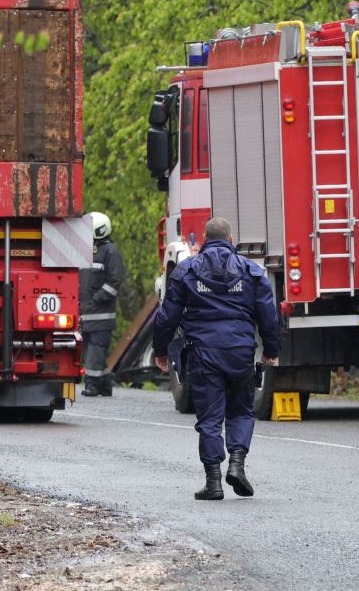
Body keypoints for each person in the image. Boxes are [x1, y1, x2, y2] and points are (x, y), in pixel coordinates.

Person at [153, 217, 279, 500]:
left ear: (204, 242)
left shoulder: (187, 270)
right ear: (231, 239)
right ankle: (236, 464)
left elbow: (167, 316)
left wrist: (161, 350)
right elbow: (268, 315)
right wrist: (271, 350)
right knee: (241, 410)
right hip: (240, 351)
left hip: (203, 352)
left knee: (210, 417)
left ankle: (213, 483)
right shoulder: (251, 271)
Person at [79, 211, 125, 397]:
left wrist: (96, 299)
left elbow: (115, 282)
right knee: (89, 351)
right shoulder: (83, 250)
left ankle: (92, 384)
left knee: (95, 350)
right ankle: (104, 382)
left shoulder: (110, 252)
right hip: (84, 313)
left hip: (101, 314)